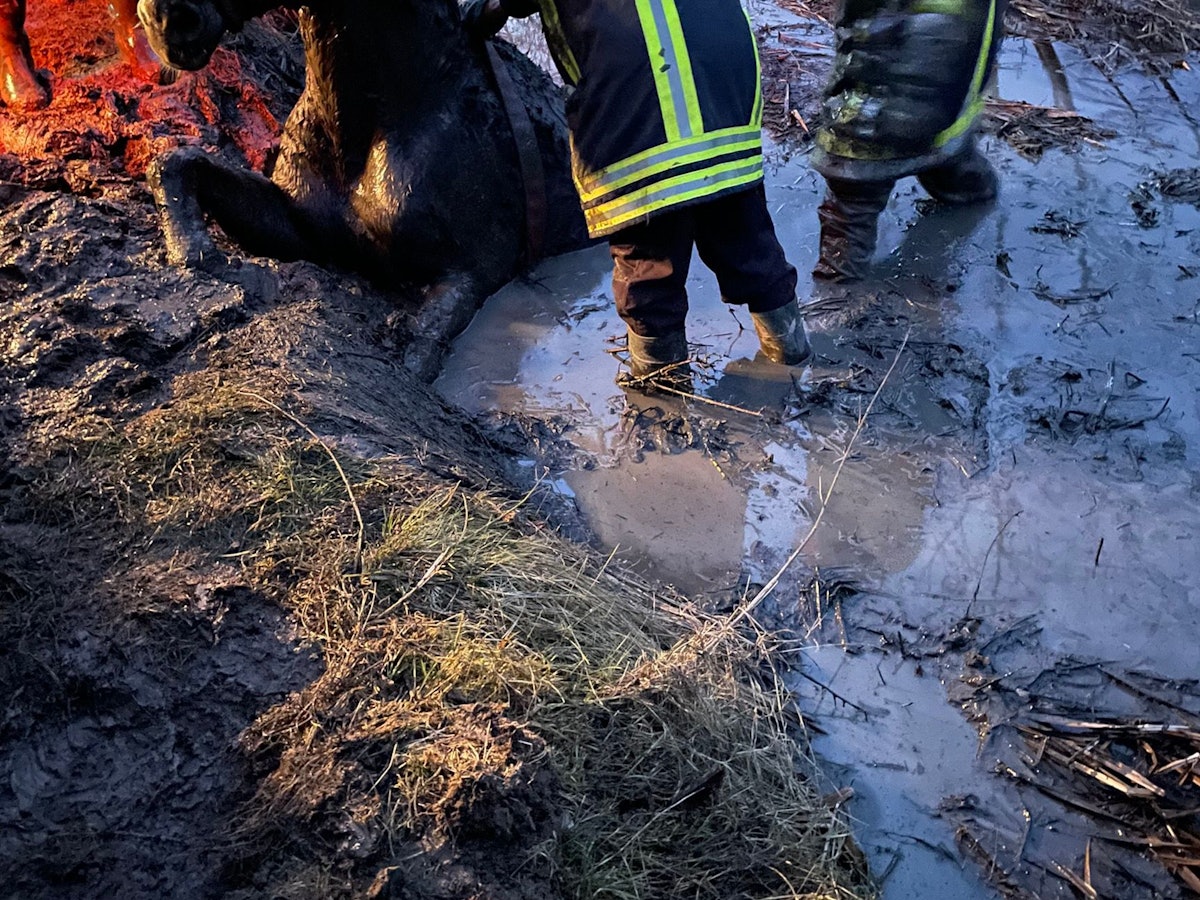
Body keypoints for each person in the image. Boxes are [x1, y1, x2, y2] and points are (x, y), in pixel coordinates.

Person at [460, 0, 810, 389]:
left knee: (648, 264)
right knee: (745, 233)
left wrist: (471, 18)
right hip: (724, 79)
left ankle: (662, 396)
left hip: (638, 89)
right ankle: (794, 360)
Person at [811, 0, 1006, 283]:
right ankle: (834, 312)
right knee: (973, 194)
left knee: (975, 194)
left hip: (907, 128)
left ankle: (835, 309)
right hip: (906, 126)